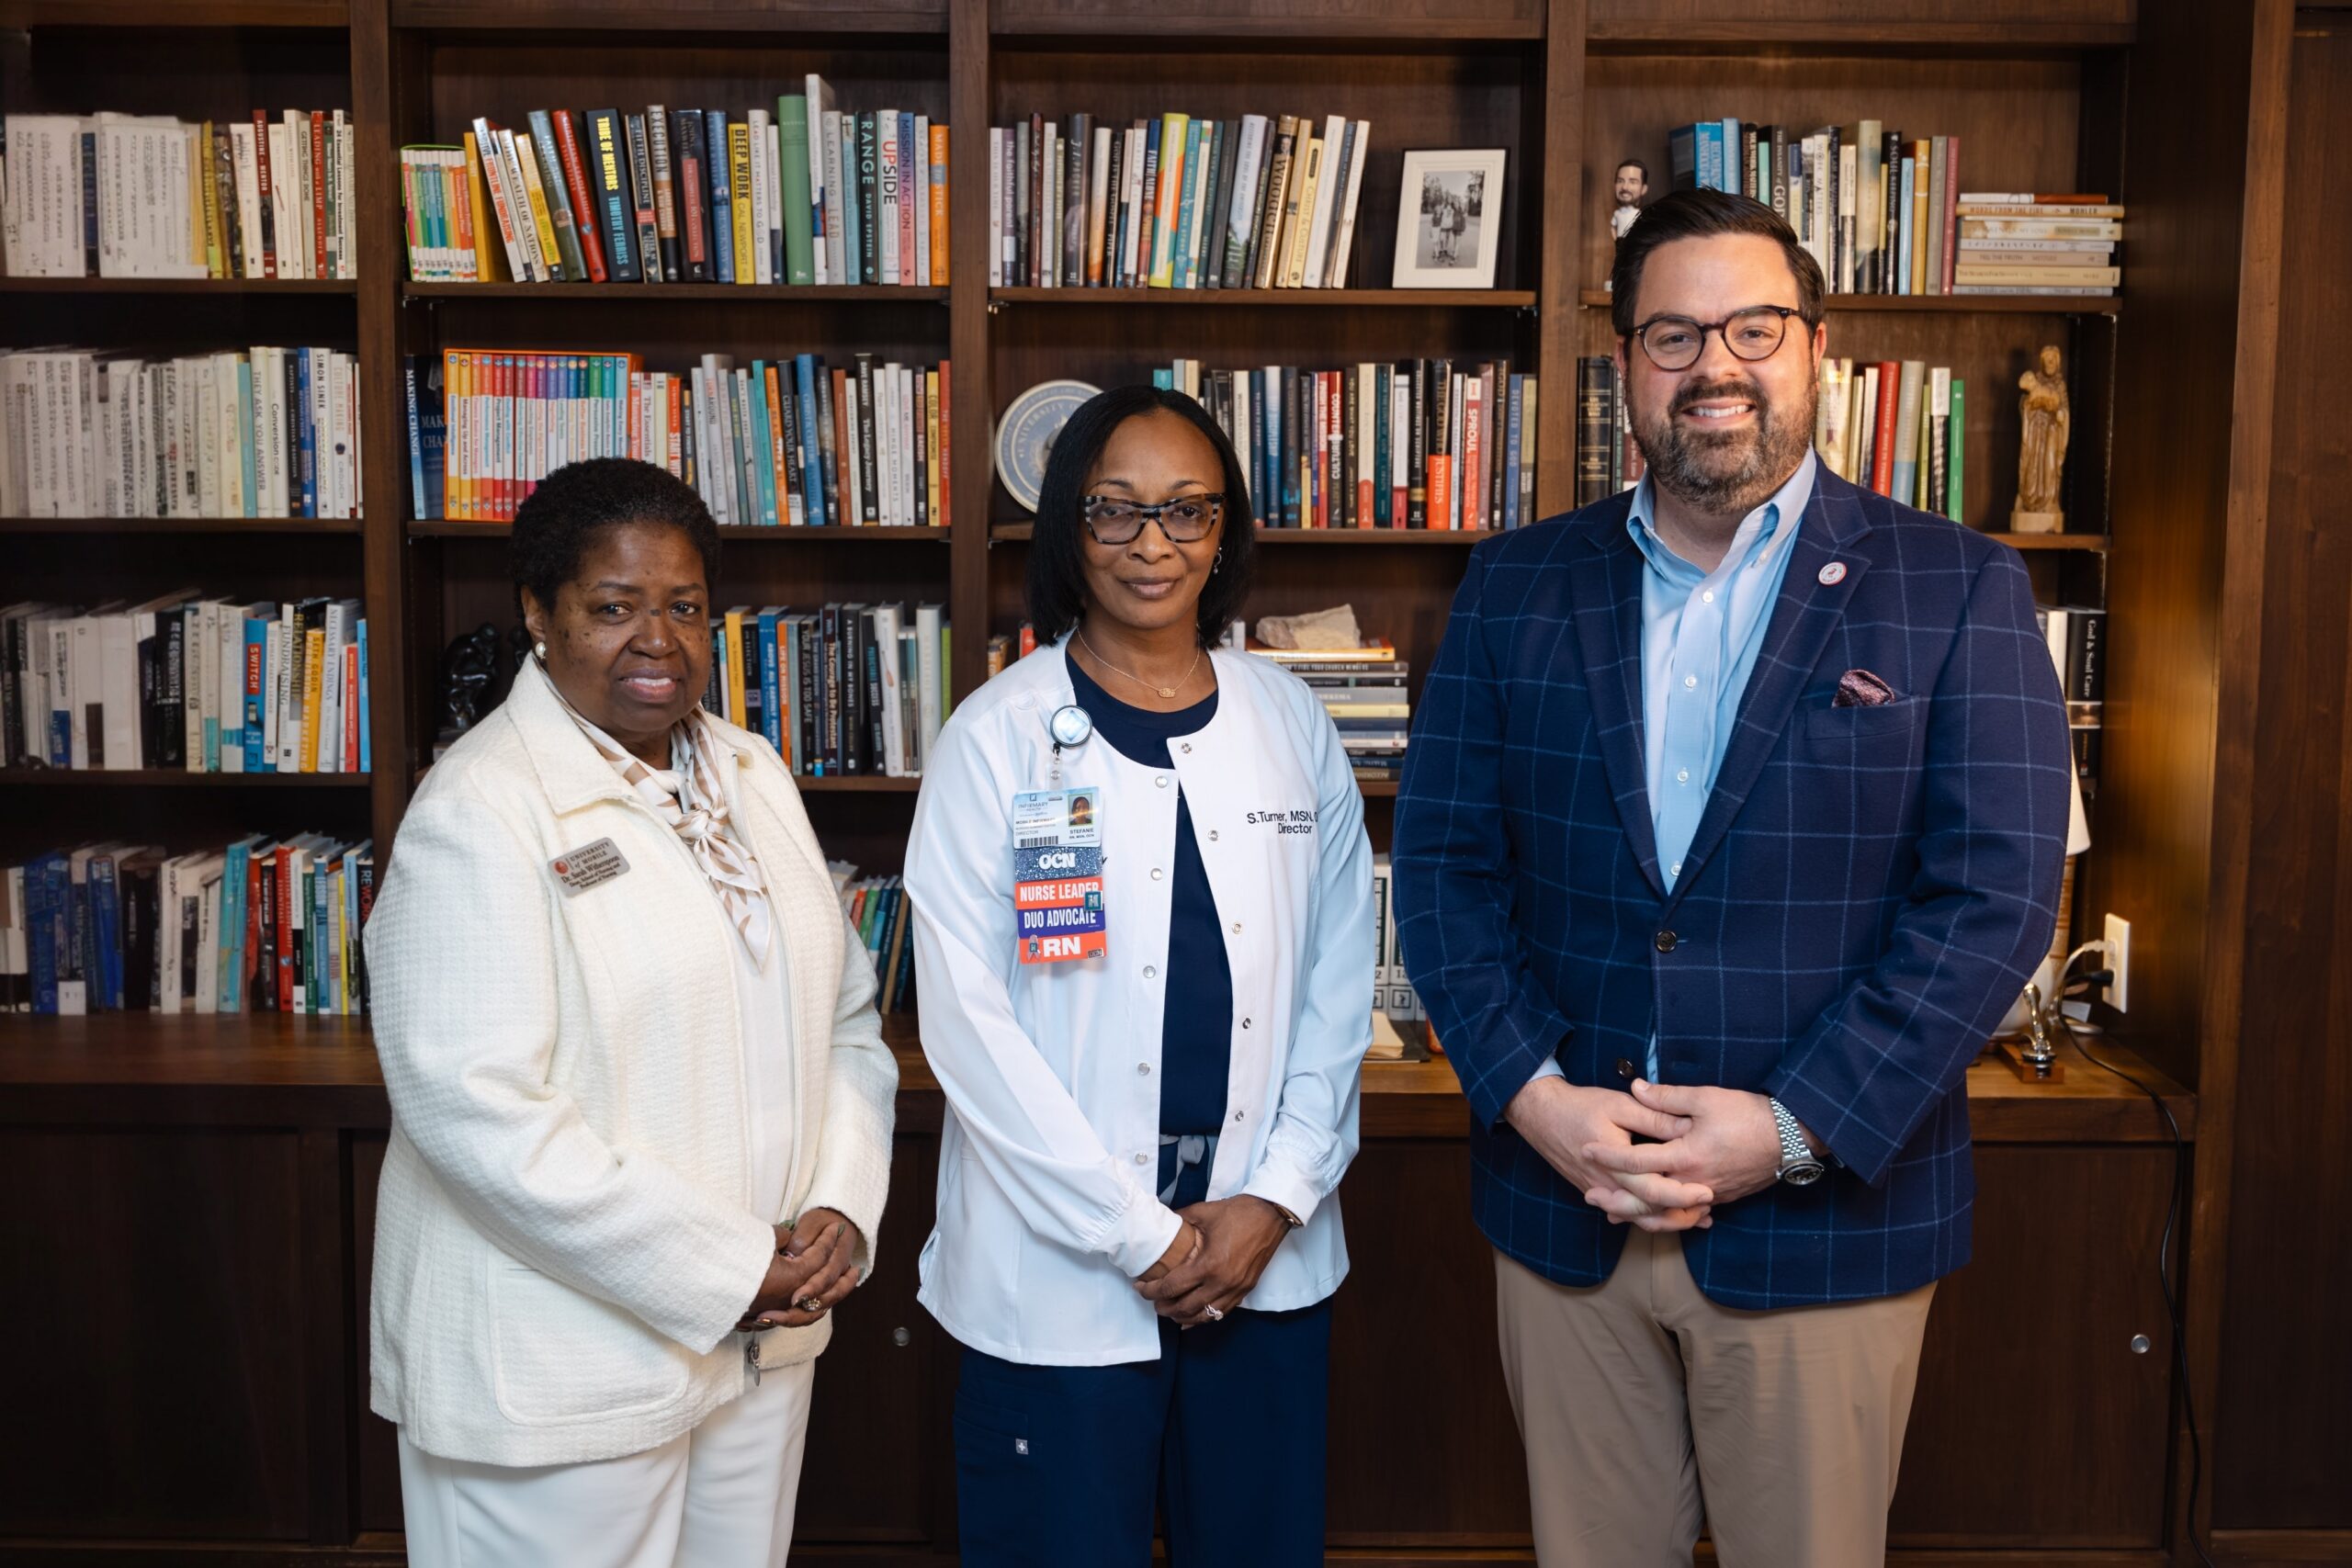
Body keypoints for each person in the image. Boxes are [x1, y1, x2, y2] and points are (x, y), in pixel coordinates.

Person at [1392, 188, 2072, 1566]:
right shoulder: (1516, 586)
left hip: (1825, 1223)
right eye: (1673, 333)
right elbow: (1447, 870)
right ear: (1626, 363)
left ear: (1818, 347)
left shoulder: (1958, 586)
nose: (1716, 365)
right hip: (1564, 1204)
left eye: (1753, 328)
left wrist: (1792, 1128)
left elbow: (1992, 904)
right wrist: (1534, 1100)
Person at [365, 457, 899, 1568]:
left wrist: (838, 1207)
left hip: (761, 1347)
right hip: (567, 1373)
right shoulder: (480, 807)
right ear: (538, 616)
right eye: (612, 607)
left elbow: (845, 1021)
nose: (656, 639)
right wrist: (727, 1269)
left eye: (685, 607)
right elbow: (478, 1113)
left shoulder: (749, 773)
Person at [903, 386, 1374, 1568]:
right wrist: (1138, 1237)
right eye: (1115, 512)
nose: (1152, 543)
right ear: (1069, 529)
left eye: (1185, 511)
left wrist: (1275, 1197)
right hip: (1059, 1278)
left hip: (1261, 1255)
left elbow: (1335, 982)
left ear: (1225, 534)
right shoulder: (994, 738)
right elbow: (968, 1029)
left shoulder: (1290, 721)